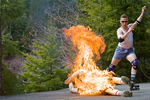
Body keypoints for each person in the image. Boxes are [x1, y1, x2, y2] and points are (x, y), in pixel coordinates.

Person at [106, 6, 146, 86]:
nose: (124, 23)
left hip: (129, 50)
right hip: (120, 50)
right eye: (123, 22)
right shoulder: (119, 30)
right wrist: (128, 32)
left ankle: (132, 82)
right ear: (120, 22)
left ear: (127, 21)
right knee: (111, 67)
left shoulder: (130, 26)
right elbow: (120, 39)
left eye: (126, 22)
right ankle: (104, 79)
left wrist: (142, 13)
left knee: (135, 63)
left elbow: (137, 22)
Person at [65, 69, 133, 97]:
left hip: (100, 83)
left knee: (108, 85)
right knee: (109, 84)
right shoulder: (82, 88)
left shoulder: (86, 76)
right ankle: (123, 83)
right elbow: (72, 89)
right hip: (100, 85)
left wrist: (70, 80)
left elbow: (79, 71)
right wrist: (71, 80)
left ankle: (122, 89)